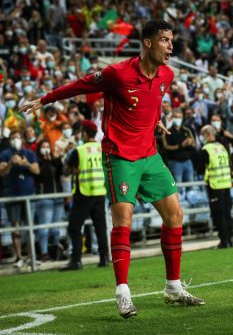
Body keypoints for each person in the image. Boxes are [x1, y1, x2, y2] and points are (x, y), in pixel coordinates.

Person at [21, 20, 204, 319]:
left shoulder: (166, 75)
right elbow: (79, 84)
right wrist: (45, 99)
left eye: (172, 40)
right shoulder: (116, 73)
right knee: (124, 219)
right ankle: (123, 293)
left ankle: (173, 287)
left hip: (150, 155)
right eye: (165, 40)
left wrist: (155, 119)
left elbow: (155, 99)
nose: (171, 46)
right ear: (147, 43)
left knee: (175, 215)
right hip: (120, 156)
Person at [59, 120, 109, 271]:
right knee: (100, 227)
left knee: (74, 227)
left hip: (84, 192)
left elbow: (67, 171)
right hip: (100, 191)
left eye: (81, 132)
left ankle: (76, 261)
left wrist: (69, 166)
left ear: (85, 133)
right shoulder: (102, 149)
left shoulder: (79, 150)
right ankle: (104, 258)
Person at [0, 130, 40, 268]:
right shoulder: (5, 154)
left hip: (28, 193)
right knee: (15, 226)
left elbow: (36, 170)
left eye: (18, 137)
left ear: (22, 139)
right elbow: (2, 172)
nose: (16, 140)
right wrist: (11, 163)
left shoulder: (29, 153)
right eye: (13, 138)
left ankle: (31, 256)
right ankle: (18, 257)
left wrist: (26, 164)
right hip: (12, 194)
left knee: (30, 225)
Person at [197, 125, 233, 248]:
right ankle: (231, 238)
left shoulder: (206, 149)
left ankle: (224, 241)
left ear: (207, 135)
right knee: (227, 212)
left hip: (215, 185)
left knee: (219, 214)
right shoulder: (222, 147)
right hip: (226, 183)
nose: (201, 138)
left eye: (202, 135)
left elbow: (200, 169)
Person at [35, 139, 64, 261]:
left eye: (48, 146)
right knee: (44, 227)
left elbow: (61, 172)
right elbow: (38, 176)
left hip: (58, 197)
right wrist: (45, 162)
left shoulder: (54, 162)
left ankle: (55, 250)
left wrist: (55, 159)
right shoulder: (37, 162)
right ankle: (44, 252)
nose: (46, 149)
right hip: (44, 197)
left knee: (56, 228)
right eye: (43, 146)